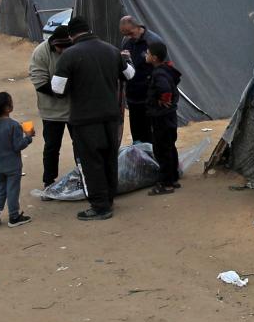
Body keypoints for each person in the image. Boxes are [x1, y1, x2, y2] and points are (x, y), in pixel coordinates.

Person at [51, 18, 130, 220]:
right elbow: (129, 75)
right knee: (109, 157)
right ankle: (109, 197)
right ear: (90, 30)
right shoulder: (111, 50)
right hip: (111, 117)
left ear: (71, 35)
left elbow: (57, 88)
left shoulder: (69, 55)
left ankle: (100, 206)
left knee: (90, 162)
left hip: (84, 118)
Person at [28, 22, 75, 188]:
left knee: (80, 144)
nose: (63, 51)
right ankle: (48, 180)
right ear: (53, 44)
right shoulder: (41, 53)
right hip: (52, 110)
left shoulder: (73, 50)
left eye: (66, 47)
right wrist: (60, 92)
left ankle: (83, 174)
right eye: (60, 48)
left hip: (74, 109)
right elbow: (39, 82)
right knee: (52, 147)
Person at [0, 91, 34, 228]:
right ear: (7, 108)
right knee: (12, 190)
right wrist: (28, 137)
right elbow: (18, 146)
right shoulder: (14, 125)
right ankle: (14, 216)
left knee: (0, 189)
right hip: (13, 166)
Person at [118, 16, 163, 145]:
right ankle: (140, 159)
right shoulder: (126, 41)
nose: (129, 36)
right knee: (137, 133)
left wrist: (159, 93)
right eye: (125, 34)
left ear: (138, 27)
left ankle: (154, 160)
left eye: (130, 33)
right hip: (133, 97)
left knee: (151, 133)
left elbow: (164, 68)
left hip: (150, 97)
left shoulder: (153, 42)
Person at [145, 40, 182, 195]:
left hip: (161, 117)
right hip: (170, 116)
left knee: (161, 149)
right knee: (170, 147)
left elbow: (165, 88)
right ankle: (173, 177)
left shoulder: (159, 73)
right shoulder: (168, 69)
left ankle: (166, 184)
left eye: (147, 53)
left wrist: (163, 100)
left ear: (154, 58)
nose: (145, 55)